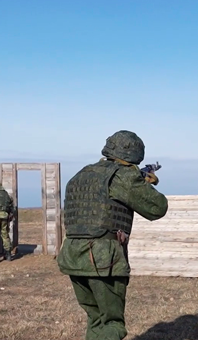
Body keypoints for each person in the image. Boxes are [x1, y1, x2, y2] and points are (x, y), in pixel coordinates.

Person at [57, 130, 168, 340]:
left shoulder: (82, 174)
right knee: (111, 324)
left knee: (96, 319)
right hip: (103, 260)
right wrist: (146, 183)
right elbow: (157, 208)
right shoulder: (122, 176)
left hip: (73, 257)